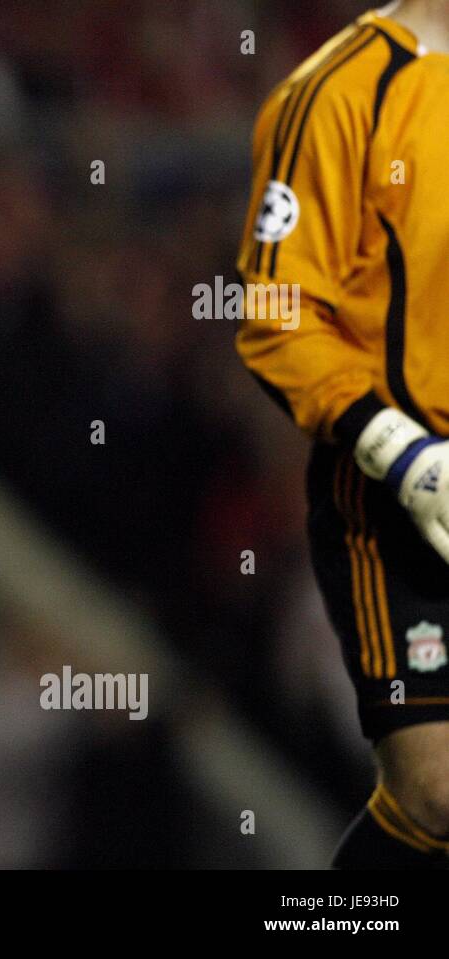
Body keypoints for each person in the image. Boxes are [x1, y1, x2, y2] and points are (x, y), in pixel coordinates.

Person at [236, 2, 449, 868]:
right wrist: (402, 452)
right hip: (399, 492)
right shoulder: (338, 90)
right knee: (436, 795)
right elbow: (276, 309)